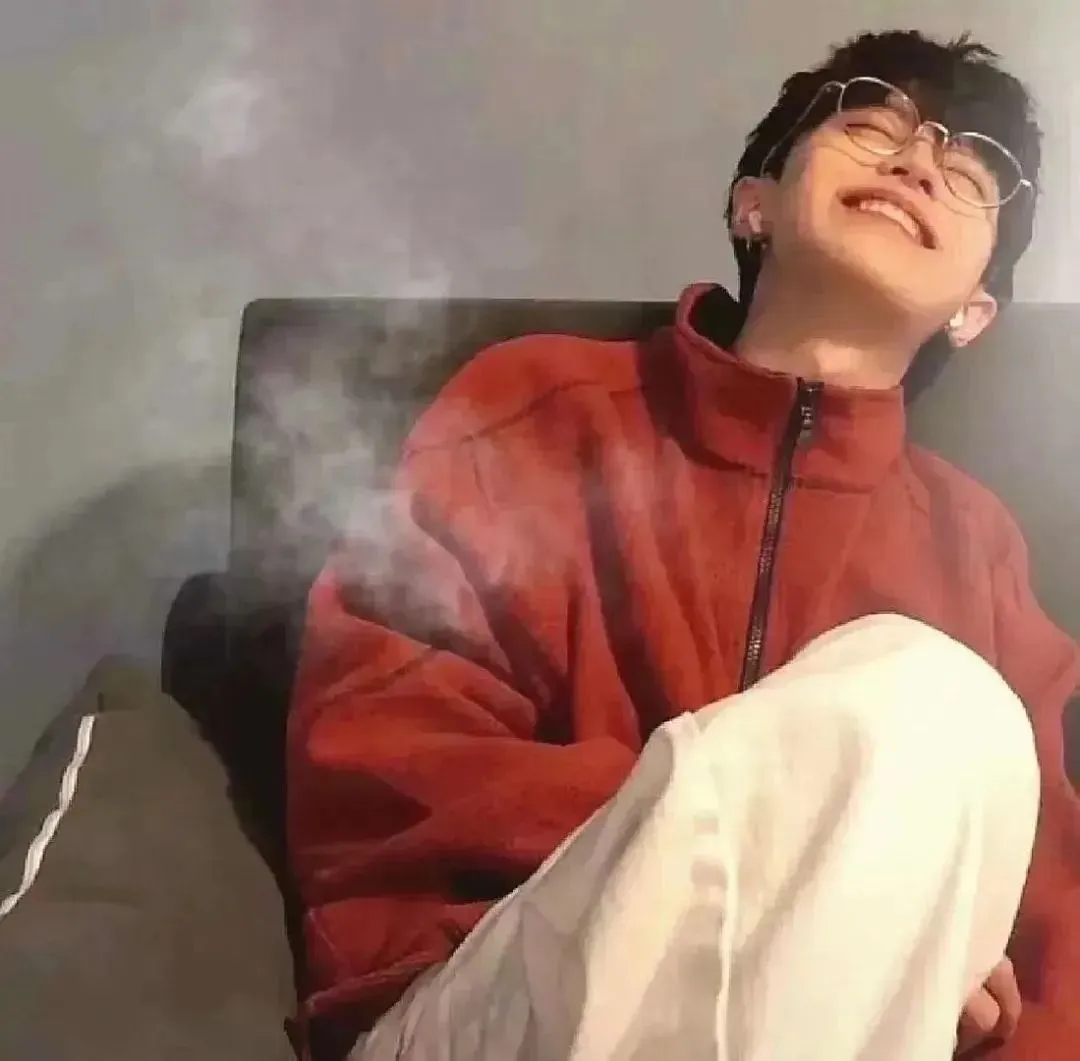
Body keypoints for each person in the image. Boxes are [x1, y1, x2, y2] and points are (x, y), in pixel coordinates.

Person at [286, 29, 1080, 1061]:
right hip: (489, 994)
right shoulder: (535, 410)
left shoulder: (975, 547)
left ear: (974, 312)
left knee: (951, 710)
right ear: (755, 204)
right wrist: (790, 870)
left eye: (969, 173)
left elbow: (1046, 920)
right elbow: (387, 748)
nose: (918, 161)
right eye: (869, 123)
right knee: (930, 702)